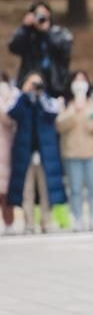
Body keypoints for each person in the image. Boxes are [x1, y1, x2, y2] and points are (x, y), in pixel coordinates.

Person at [7, 71, 66, 234]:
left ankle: (46, 221)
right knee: (27, 190)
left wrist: (40, 98)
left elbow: (52, 115)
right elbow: (12, 113)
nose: (34, 87)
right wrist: (25, 95)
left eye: (37, 83)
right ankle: (29, 223)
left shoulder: (48, 101)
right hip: (25, 153)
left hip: (45, 153)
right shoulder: (21, 100)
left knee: (46, 189)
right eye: (31, 83)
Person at [56, 71, 93, 231]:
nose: (80, 84)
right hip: (72, 153)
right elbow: (59, 126)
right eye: (76, 80)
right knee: (75, 189)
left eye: (83, 80)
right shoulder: (64, 103)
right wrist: (73, 112)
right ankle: (77, 218)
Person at [8, 0, 73, 98]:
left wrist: (47, 32)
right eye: (37, 14)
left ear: (49, 14)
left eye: (44, 13)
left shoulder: (59, 33)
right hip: (31, 81)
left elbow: (65, 51)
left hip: (56, 83)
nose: (41, 17)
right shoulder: (28, 34)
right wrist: (24, 27)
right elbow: (13, 47)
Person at [0, 72, 20, 235]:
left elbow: (10, 120)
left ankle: (9, 222)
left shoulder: (12, 95)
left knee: (6, 189)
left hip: (7, 147)